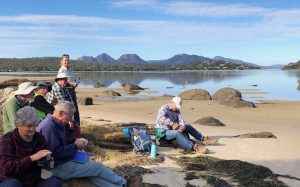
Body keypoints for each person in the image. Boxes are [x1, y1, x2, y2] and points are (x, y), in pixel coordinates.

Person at [36, 101, 127, 187]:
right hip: (55, 167)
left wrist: (74, 139)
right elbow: (54, 153)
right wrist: (75, 146)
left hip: (60, 162)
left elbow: (64, 142)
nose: (71, 119)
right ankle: (123, 182)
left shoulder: (56, 123)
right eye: (70, 116)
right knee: (97, 167)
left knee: (90, 171)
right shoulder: (49, 127)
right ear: (61, 113)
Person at [0, 106, 63, 187]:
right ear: (18, 125)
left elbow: (42, 161)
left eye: (35, 125)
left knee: (54, 183)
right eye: (29, 126)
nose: (33, 129)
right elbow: (6, 168)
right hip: (13, 178)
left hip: (34, 178)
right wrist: (31, 158)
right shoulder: (7, 139)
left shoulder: (39, 137)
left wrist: (47, 163)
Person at [57, 54, 80, 126]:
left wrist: (75, 83)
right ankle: (69, 126)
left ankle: (77, 126)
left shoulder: (70, 70)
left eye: (68, 60)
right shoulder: (61, 71)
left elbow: (73, 82)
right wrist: (70, 84)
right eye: (65, 60)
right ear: (61, 61)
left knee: (75, 110)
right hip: (65, 92)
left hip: (72, 91)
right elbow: (60, 83)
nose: (67, 62)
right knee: (68, 110)